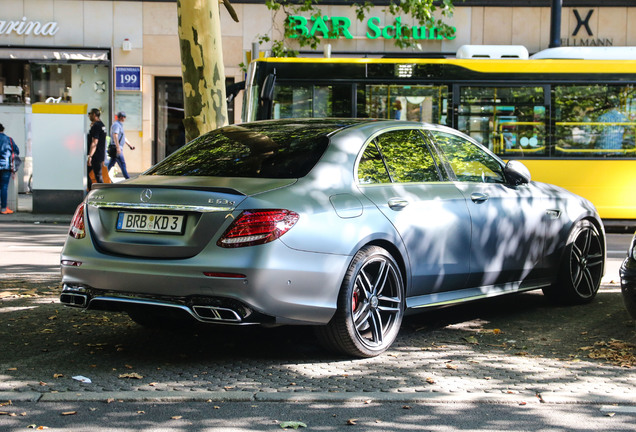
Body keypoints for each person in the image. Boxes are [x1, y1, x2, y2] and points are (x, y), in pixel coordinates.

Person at [108, 111, 135, 179]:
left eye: (124, 117)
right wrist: (117, 148)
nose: (124, 118)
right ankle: (128, 178)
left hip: (118, 147)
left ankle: (102, 176)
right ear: (120, 117)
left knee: (111, 164)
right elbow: (115, 135)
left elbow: (122, 137)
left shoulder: (119, 125)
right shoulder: (116, 125)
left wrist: (130, 145)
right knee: (122, 164)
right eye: (123, 117)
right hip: (116, 148)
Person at [0, 123, 19, 214]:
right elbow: (16, 151)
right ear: (2, 130)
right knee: (4, 187)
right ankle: (3, 209)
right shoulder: (9, 140)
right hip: (5, 167)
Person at [87, 108, 107, 189]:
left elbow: (95, 142)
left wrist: (90, 156)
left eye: (90, 114)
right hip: (100, 154)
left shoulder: (96, 126)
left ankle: (96, 191)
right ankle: (95, 191)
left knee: (96, 176)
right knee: (97, 175)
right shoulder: (102, 125)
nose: (89, 115)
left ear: (94, 115)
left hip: (95, 155)